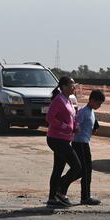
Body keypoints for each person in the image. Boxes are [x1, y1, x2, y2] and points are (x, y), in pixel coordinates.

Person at [45, 76, 83, 207]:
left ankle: (52, 197)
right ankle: (60, 189)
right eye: (72, 85)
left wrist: (75, 125)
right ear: (64, 87)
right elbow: (50, 117)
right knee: (77, 167)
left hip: (65, 139)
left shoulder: (69, 100)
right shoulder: (58, 100)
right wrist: (65, 126)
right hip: (56, 138)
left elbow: (72, 116)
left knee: (58, 168)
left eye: (74, 85)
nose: (74, 88)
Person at [71, 89, 106, 205]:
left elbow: (93, 123)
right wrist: (77, 129)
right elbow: (76, 123)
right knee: (86, 170)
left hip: (84, 143)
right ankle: (85, 196)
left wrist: (94, 127)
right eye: (98, 103)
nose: (99, 106)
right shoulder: (84, 111)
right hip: (80, 143)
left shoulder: (91, 111)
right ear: (91, 100)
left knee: (82, 171)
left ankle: (61, 185)